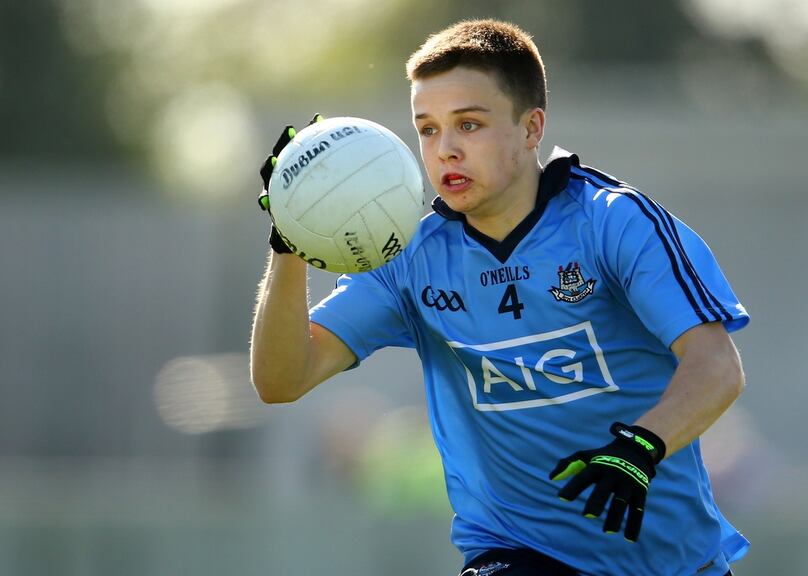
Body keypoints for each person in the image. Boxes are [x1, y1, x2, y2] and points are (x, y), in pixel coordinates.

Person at [251, 19, 750, 576]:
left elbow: (716, 366)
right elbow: (282, 379)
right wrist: (290, 243)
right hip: (516, 553)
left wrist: (639, 449)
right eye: (429, 129)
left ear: (531, 127)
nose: (446, 150)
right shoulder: (413, 260)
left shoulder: (613, 222)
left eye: (469, 124)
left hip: (674, 563)